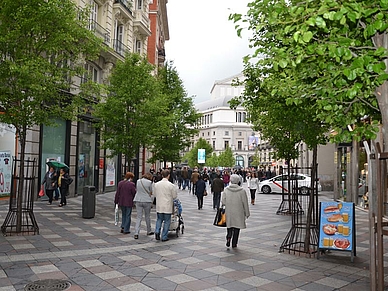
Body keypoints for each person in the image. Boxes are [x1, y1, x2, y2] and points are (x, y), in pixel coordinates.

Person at [221, 174, 250, 248]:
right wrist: (247, 213)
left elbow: (223, 201)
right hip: (239, 212)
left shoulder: (226, 189)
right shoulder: (242, 191)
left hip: (229, 211)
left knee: (229, 226)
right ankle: (234, 243)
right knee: (237, 228)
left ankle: (228, 237)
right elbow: (245, 202)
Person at [154, 169, 177, 242]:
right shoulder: (171, 185)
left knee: (159, 219)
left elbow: (154, 194)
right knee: (167, 221)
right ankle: (164, 236)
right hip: (167, 205)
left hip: (159, 205)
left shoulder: (156, 184)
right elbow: (174, 196)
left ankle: (157, 231)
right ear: (168, 175)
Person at [133, 173, 154, 239]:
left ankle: (136, 232)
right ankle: (148, 230)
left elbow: (137, 190)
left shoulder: (138, 181)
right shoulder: (150, 183)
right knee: (147, 216)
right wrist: (152, 202)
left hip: (138, 200)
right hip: (147, 200)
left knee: (139, 217)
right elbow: (151, 192)